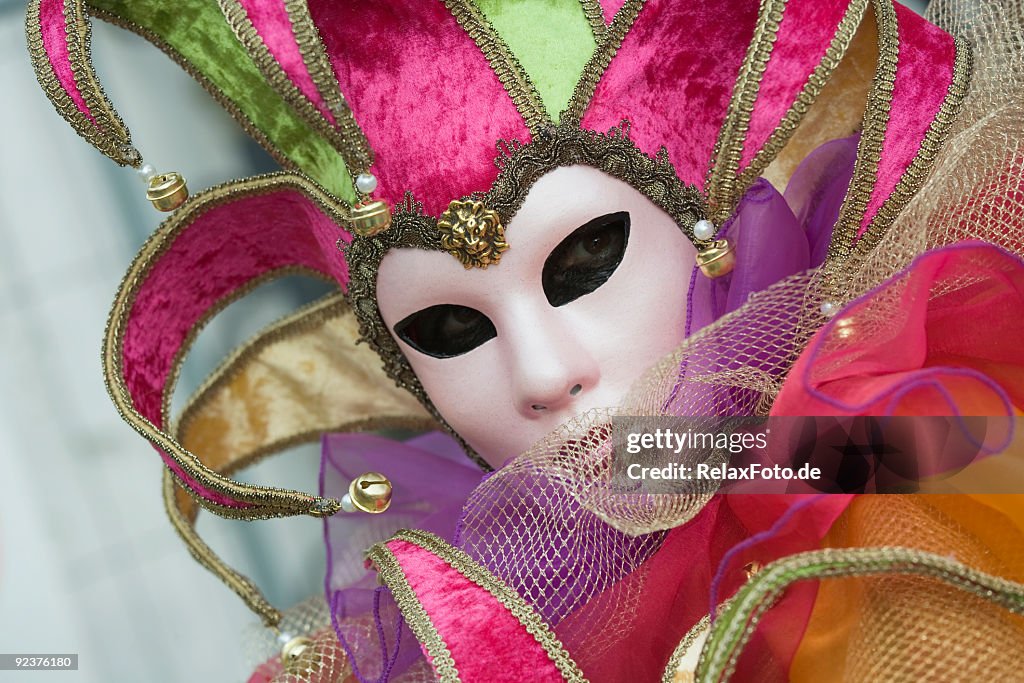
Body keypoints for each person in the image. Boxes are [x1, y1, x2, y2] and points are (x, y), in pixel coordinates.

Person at [28, 0, 1024, 681]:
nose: (546, 373)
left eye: (586, 258)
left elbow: (961, 452)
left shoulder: (913, 425)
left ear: (706, 228)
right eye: (451, 329)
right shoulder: (460, 618)